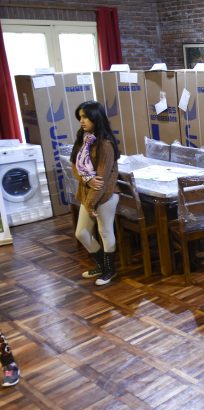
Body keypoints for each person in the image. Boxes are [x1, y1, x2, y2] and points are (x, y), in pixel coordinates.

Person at [70, 101, 120, 286]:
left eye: (85, 117)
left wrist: (91, 203)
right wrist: (86, 179)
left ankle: (110, 270)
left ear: (95, 118)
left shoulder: (105, 144)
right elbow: (74, 166)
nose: (81, 121)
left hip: (105, 196)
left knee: (105, 232)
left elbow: (102, 180)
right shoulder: (83, 139)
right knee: (81, 233)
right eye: (80, 117)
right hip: (88, 195)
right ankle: (102, 266)